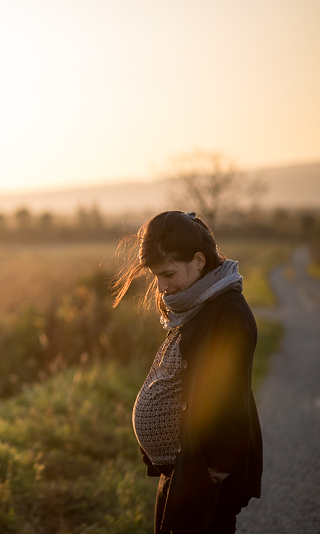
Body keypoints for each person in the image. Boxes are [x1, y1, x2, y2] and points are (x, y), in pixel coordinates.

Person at [112, 210, 262, 534]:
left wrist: (215, 469)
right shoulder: (195, 303)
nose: (161, 286)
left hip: (205, 474)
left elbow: (231, 397)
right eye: (155, 276)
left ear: (198, 260)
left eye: (168, 273)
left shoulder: (228, 315)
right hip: (184, 469)